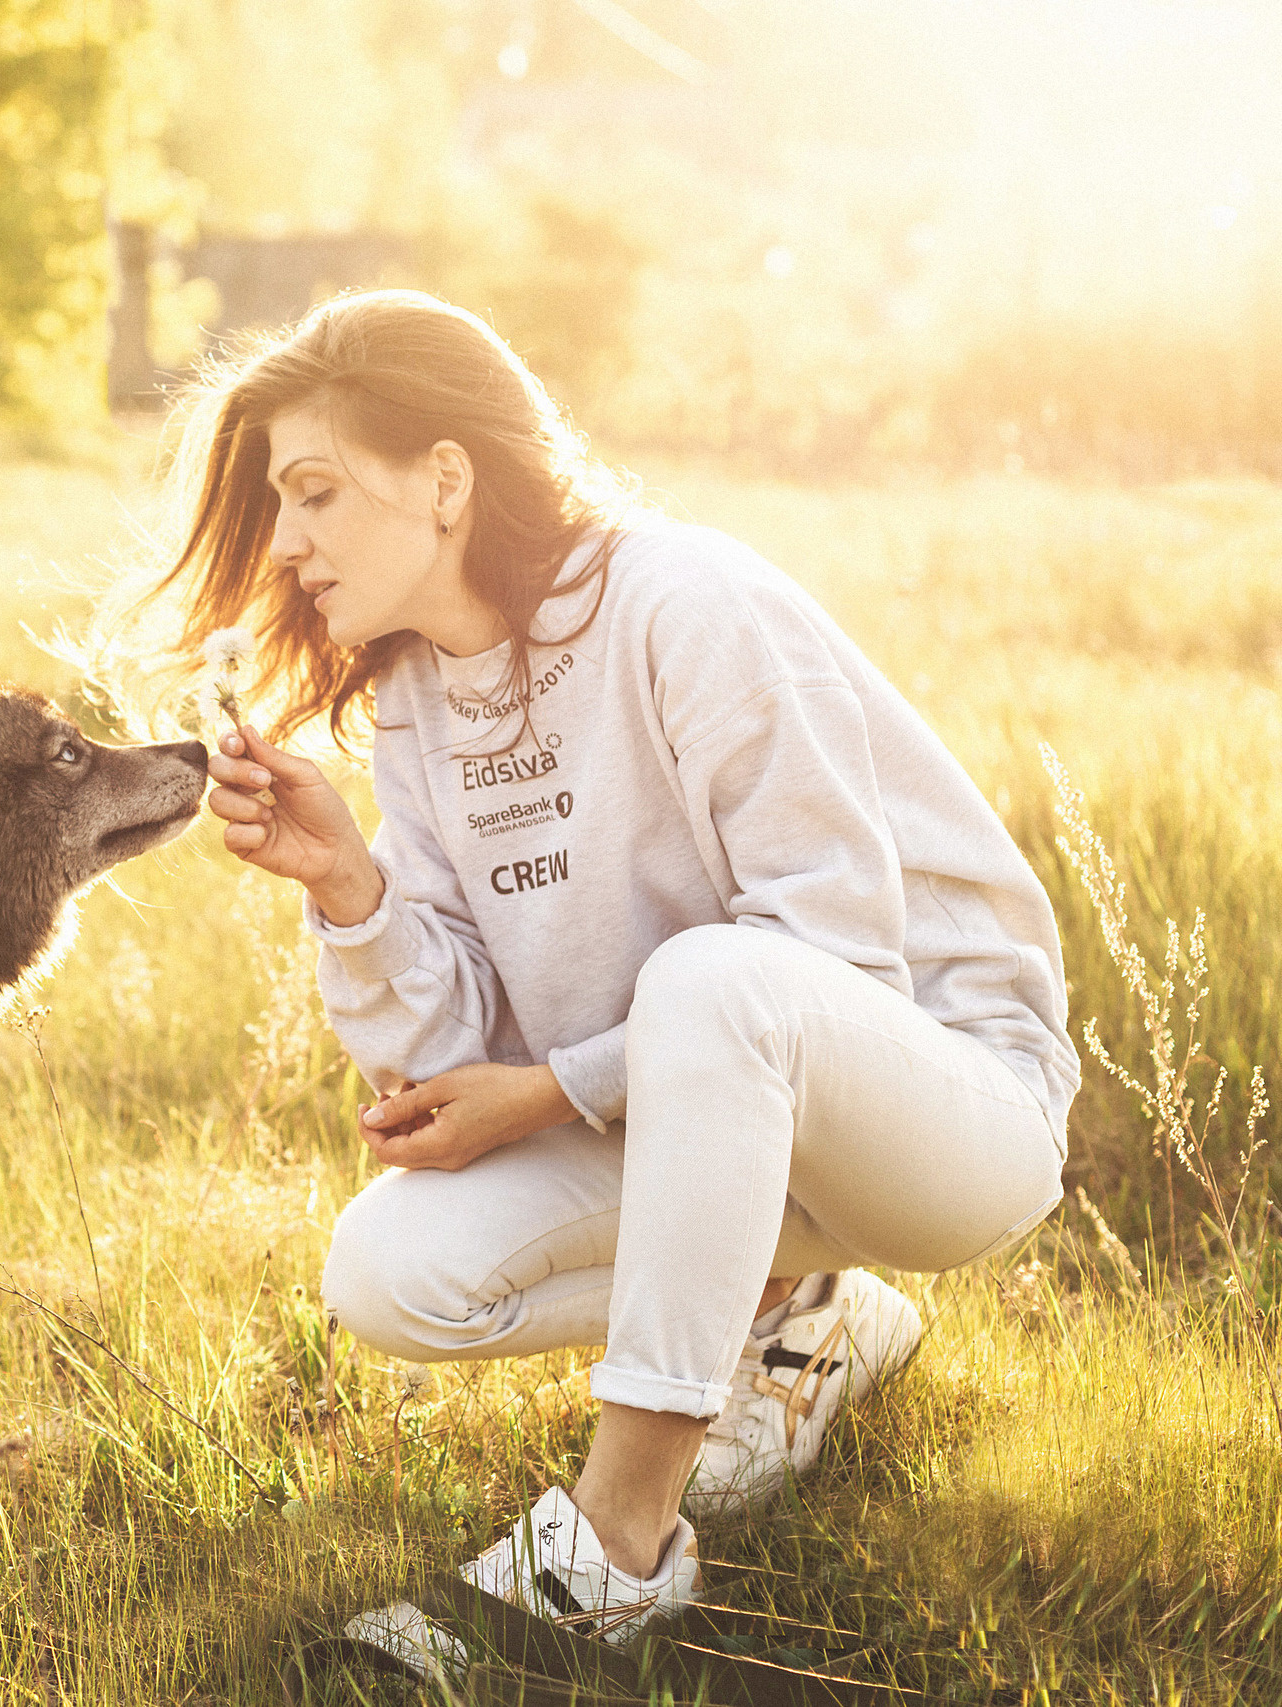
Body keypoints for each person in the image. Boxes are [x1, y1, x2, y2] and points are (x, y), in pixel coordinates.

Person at [142, 290, 1075, 1673]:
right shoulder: (416, 695)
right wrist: (348, 884)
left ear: (445, 479)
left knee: (715, 981)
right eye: (283, 504)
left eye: (318, 492)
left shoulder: (680, 598)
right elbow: (456, 1042)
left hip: (948, 1110)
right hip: (707, 1108)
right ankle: (799, 1312)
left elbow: (827, 966)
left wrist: (549, 1091)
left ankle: (615, 1549)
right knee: (391, 1272)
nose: (286, 544)